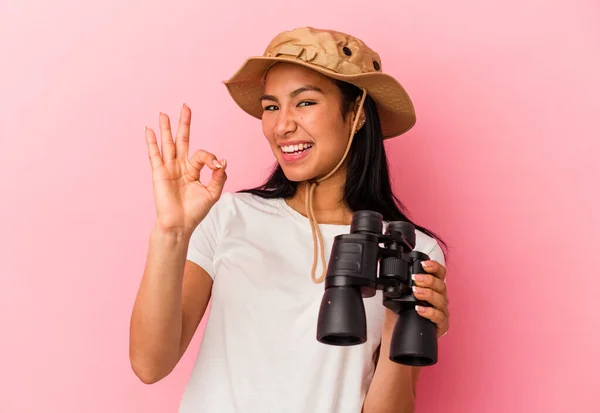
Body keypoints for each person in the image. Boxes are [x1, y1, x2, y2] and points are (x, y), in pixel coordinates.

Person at [129, 26, 451, 413]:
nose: (281, 126)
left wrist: (397, 323)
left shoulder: (410, 248)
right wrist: (172, 233)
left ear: (357, 114)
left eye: (305, 103)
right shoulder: (230, 216)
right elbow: (150, 364)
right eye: (271, 107)